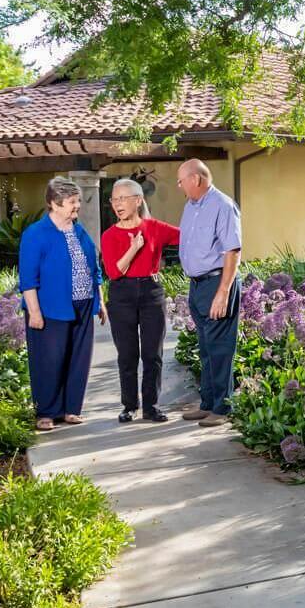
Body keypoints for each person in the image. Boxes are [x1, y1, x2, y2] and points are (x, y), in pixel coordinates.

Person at [19, 177, 106, 432]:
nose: (77, 206)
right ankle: (46, 412)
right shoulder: (36, 234)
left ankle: (71, 409)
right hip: (49, 308)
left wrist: (100, 300)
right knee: (48, 360)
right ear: (54, 204)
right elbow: (27, 278)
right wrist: (34, 311)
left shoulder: (79, 231)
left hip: (82, 304)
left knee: (78, 358)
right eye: (71, 202)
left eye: (77, 201)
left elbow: (94, 269)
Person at [100, 178, 179, 424]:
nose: (117, 204)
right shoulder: (109, 235)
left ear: (138, 200)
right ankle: (129, 406)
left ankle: (151, 406)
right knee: (127, 354)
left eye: (123, 198)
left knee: (152, 354)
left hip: (151, 291)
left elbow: (188, 238)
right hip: (121, 293)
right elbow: (114, 272)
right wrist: (134, 248)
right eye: (114, 199)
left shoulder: (155, 227)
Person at [175, 159, 242, 428]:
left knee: (220, 348)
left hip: (217, 283)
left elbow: (233, 251)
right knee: (205, 348)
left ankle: (222, 408)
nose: (179, 186)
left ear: (197, 180)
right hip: (197, 285)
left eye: (181, 181)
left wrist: (223, 292)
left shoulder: (223, 206)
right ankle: (207, 404)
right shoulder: (190, 207)